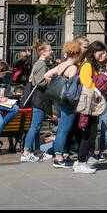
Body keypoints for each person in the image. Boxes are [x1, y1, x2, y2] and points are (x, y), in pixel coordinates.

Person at [73, 42, 107, 174]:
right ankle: (80, 162)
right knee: (89, 133)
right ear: (93, 53)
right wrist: (98, 89)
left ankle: (81, 160)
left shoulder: (90, 65)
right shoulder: (88, 65)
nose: (102, 56)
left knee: (90, 132)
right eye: (99, 53)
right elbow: (87, 82)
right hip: (88, 102)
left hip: (89, 102)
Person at [45, 40, 84, 169]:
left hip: (58, 100)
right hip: (67, 102)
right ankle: (59, 157)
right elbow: (72, 87)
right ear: (77, 53)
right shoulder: (72, 67)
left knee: (62, 127)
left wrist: (57, 83)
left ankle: (60, 155)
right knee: (64, 129)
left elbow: (47, 75)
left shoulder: (62, 65)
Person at [20, 40, 54, 162]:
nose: (52, 52)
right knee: (34, 126)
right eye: (49, 50)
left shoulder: (40, 63)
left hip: (38, 99)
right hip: (39, 99)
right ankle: (26, 152)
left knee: (37, 126)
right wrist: (52, 80)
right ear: (43, 52)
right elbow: (39, 81)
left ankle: (37, 151)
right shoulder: (41, 64)